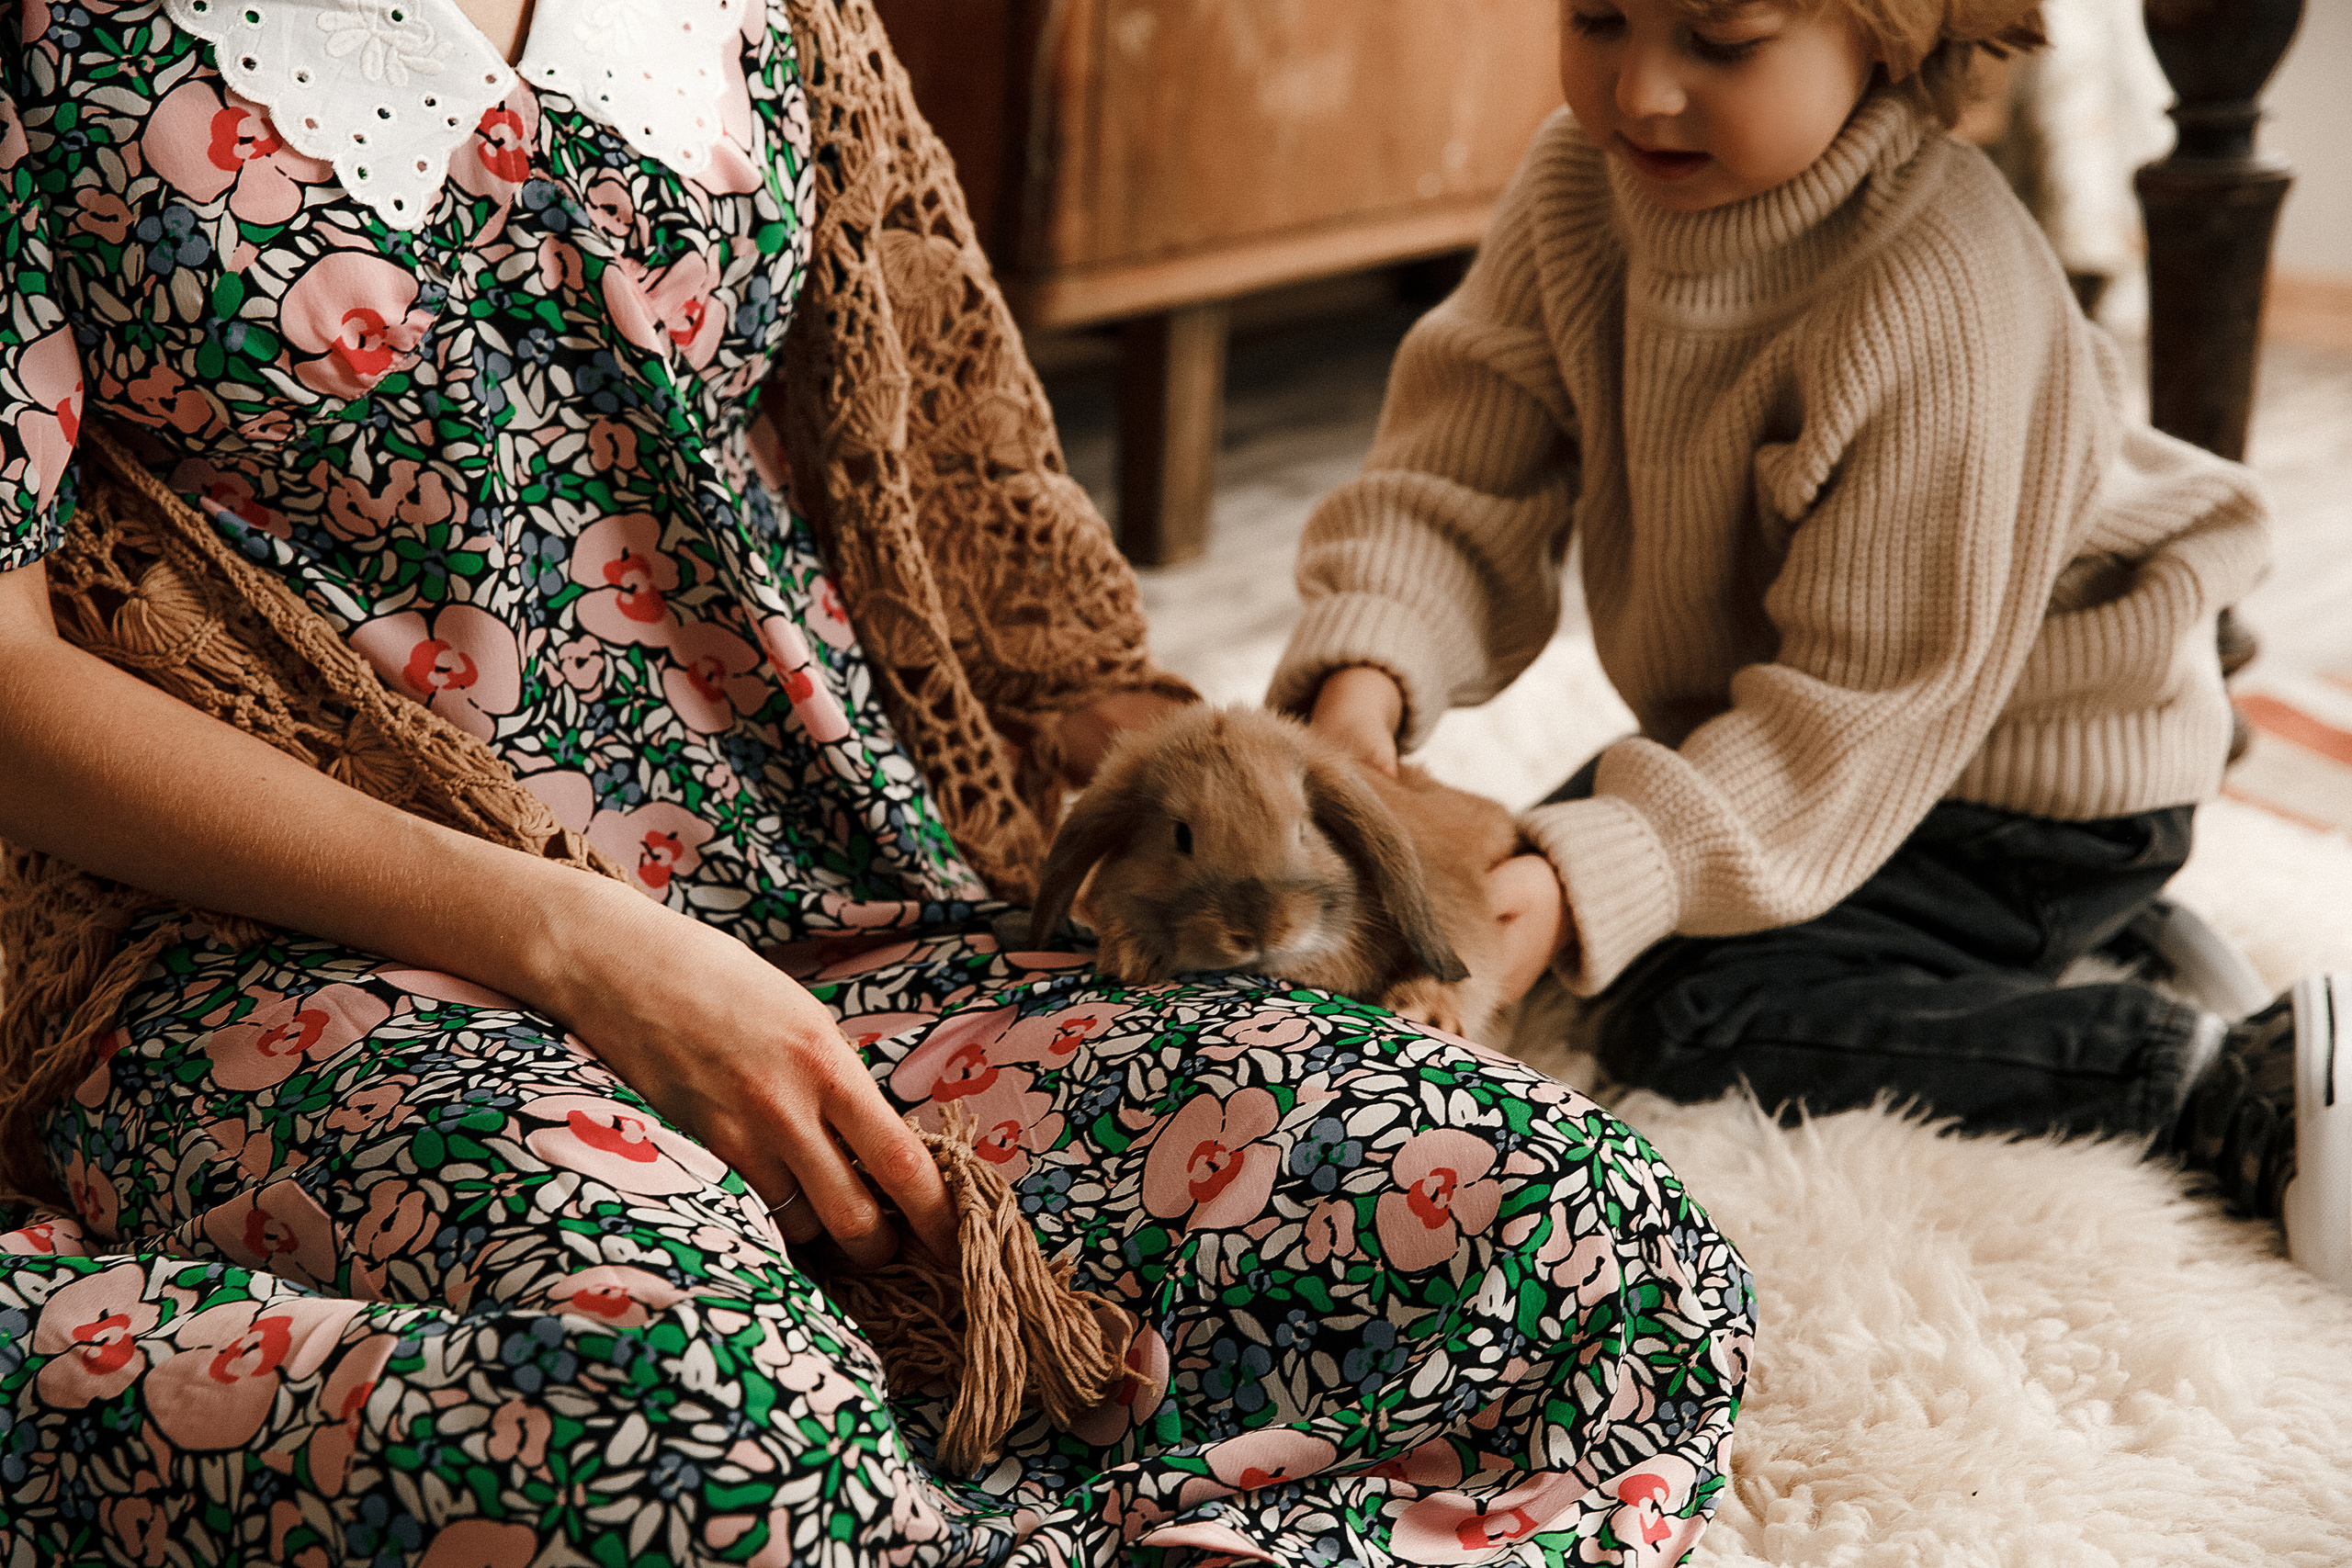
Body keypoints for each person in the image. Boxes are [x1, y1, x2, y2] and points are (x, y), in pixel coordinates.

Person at [0, 0, 1753, 1562]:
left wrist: (1249, 823)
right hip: (291, 963)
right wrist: (575, 937)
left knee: (1608, 1259)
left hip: (849, 917)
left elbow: (966, 464)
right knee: (702, 1445)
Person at [1280, 0, 2351, 1288]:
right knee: (1523, 874)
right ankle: (1956, 955)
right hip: (1806, 727)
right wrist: (1363, 684)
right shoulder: (1580, 183)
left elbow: (1858, 712)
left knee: (1685, 1010)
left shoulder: (1942, 286)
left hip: (2020, 792)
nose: (1643, 93)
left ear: (1892, 35)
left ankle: (2201, 1076)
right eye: (1600, 19)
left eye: (1722, 41)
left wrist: (1593, 878)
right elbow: (1459, 486)